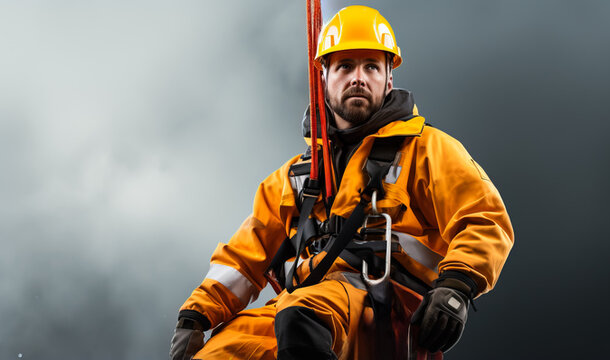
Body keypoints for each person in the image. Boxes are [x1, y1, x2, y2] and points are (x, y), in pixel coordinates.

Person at [169, 5, 513, 360]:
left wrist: (456, 287)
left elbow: (485, 219)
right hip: (302, 304)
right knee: (223, 351)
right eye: (345, 66)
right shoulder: (297, 177)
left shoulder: (427, 150)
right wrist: (195, 316)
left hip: (386, 310)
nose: (358, 78)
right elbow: (243, 257)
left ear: (389, 80)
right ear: (323, 78)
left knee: (303, 316)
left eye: (371, 67)